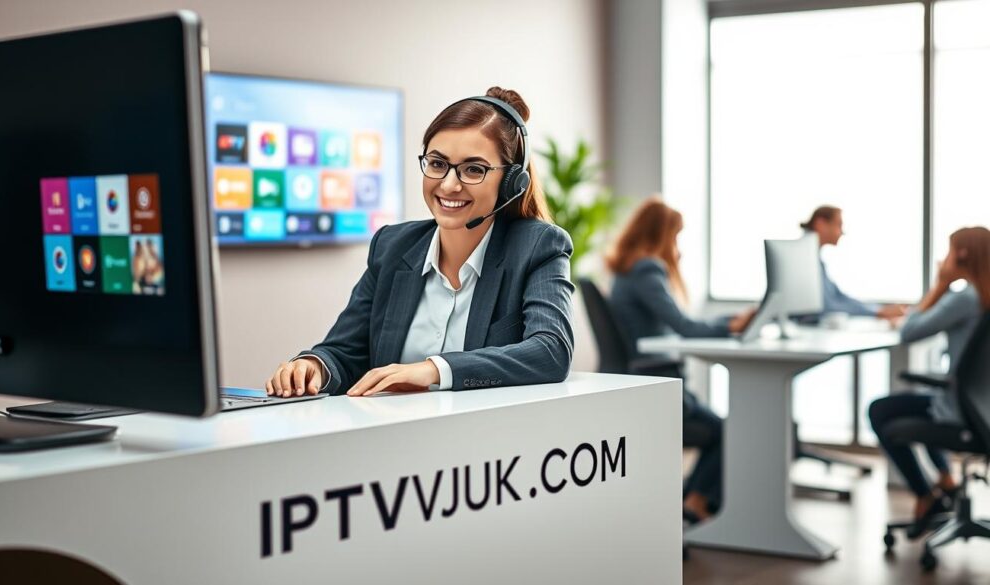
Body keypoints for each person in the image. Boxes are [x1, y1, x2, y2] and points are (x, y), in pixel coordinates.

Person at [266, 87, 574, 398]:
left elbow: (550, 351)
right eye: (438, 164)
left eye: (473, 170)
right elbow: (345, 353)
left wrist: (434, 370)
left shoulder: (538, 247)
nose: (449, 185)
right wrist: (313, 366)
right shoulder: (392, 246)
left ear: (512, 182)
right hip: (394, 437)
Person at [606, 197, 755, 522]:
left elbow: (681, 326)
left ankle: (695, 497)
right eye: (675, 236)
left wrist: (729, 322)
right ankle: (697, 501)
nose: (677, 245)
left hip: (639, 384)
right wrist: (732, 325)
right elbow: (685, 327)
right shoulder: (647, 269)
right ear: (661, 235)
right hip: (657, 386)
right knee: (730, 429)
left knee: (724, 427)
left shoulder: (626, 269)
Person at [868, 226, 990, 533]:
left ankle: (926, 494)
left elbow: (909, 332)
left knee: (880, 411)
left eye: (948, 250)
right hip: (982, 409)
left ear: (961, 254)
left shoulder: (966, 297)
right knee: (918, 401)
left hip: (964, 414)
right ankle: (945, 480)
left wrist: (939, 285)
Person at [800, 205, 907, 320]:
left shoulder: (814, 258)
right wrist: (876, 312)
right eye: (839, 225)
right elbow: (827, 306)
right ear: (820, 224)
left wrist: (878, 309)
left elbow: (839, 296)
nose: (842, 232)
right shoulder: (802, 258)